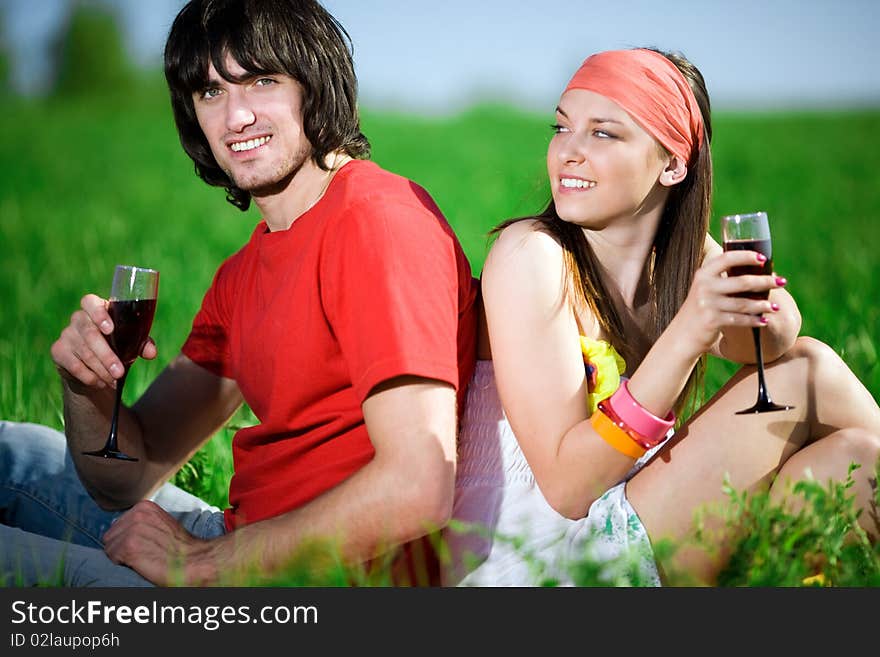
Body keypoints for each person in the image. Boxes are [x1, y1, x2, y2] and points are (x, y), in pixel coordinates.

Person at [0, 0, 477, 587]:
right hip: (240, 546)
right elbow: (124, 478)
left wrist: (204, 563)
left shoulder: (376, 222)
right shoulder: (244, 272)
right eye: (210, 93)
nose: (236, 117)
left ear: (316, 83)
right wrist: (86, 389)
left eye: (261, 81)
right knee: (11, 452)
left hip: (312, 582)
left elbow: (417, 487)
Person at [441, 47, 880, 587]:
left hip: (621, 535)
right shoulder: (530, 253)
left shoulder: (676, 263)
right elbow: (565, 487)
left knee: (852, 463)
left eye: (603, 133)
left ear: (673, 164)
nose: (569, 152)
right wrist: (689, 333)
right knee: (809, 371)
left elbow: (777, 337)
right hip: (544, 563)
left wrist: (725, 285)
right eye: (562, 127)